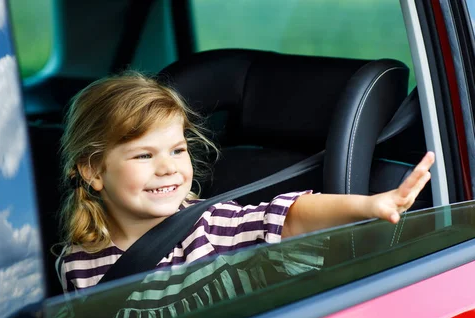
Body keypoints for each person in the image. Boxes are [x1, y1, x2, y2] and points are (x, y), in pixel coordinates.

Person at [57, 71, 434, 293]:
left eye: (177, 150)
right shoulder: (77, 263)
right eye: (143, 155)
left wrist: (369, 205)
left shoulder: (209, 226)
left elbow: (288, 216)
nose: (167, 168)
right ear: (92, 170)